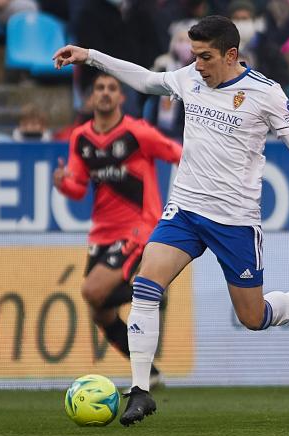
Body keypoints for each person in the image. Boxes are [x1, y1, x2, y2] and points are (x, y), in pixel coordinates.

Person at [53, 15, 289, 425]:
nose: (198, 64)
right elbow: (145, 80)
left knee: (253, 317)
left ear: (231, 54)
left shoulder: (266, 94)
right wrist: (90, 56)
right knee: (145, 283)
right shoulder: (190, 78)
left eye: (205, 56)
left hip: (235, 221)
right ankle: (140, 390)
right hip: (186, 211)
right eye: (194, 55)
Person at [53, 72, 182, 392]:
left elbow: (178, 154)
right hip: (102, 232)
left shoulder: (137, 133)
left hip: (138, 226)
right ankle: (150, 373)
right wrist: (63, 183)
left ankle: (150, 291)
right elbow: (78, 187)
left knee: (91, 291)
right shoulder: (81, 138)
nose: (106, 93)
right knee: (101, 312)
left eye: (112, 88)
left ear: (122, 98)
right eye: (100, 88)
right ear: (91, 97)